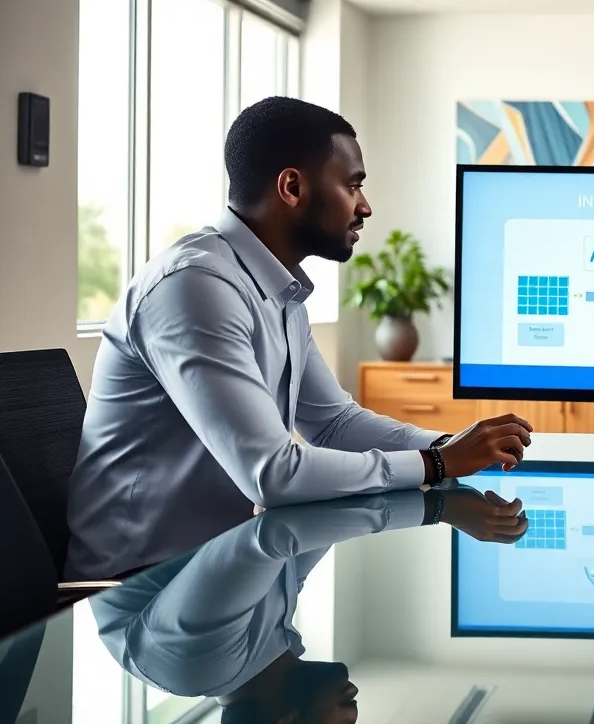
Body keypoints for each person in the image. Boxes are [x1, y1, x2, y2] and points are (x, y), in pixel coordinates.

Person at [67, 97, 532, 581]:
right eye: (353, 185)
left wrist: (450, 447)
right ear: (291, 187)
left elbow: (334, 423)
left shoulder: (275, 289)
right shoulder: (194, 286)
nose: (365, 206)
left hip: (219, 567)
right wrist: (436, 461)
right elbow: (272, 473)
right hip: (137, 588)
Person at [91, 488, 527, 724]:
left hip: (145, 446)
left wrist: (438, 509)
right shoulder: (265, 646)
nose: (354, 706)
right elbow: (315, 518)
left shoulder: (199, 664)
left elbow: (275, 533)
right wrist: (440, 480)